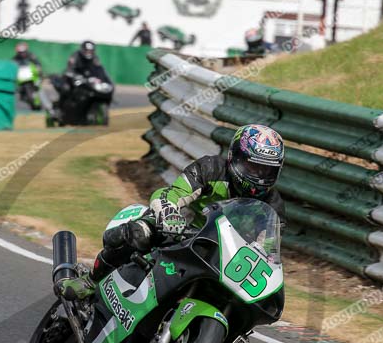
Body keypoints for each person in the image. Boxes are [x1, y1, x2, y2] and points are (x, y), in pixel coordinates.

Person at [62, 124, 285, 300]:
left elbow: (266, 251)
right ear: (234, 157)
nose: (259, 176)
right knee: (139, 232)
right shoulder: (211, 168)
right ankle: (91, 281)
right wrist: (169, 213)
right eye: (253, 166)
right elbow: (173, 193)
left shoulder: (273, 206)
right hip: (181, 231)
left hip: (221, 257)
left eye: (267, 170)